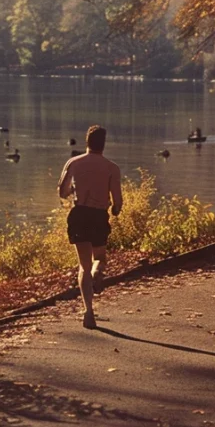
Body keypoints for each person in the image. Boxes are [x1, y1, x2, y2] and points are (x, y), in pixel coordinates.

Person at [57, 125, 123, 329]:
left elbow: (62, 192)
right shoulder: (111, 167)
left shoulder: (73, 163)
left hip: (79, 214)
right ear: (103, 144)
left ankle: (88, 312)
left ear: (86, 142)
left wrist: (74, 191)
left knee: (82, 266)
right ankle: (97, 272)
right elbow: (117, 201)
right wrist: (115, 211)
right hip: (98, 216)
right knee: (99, 258)